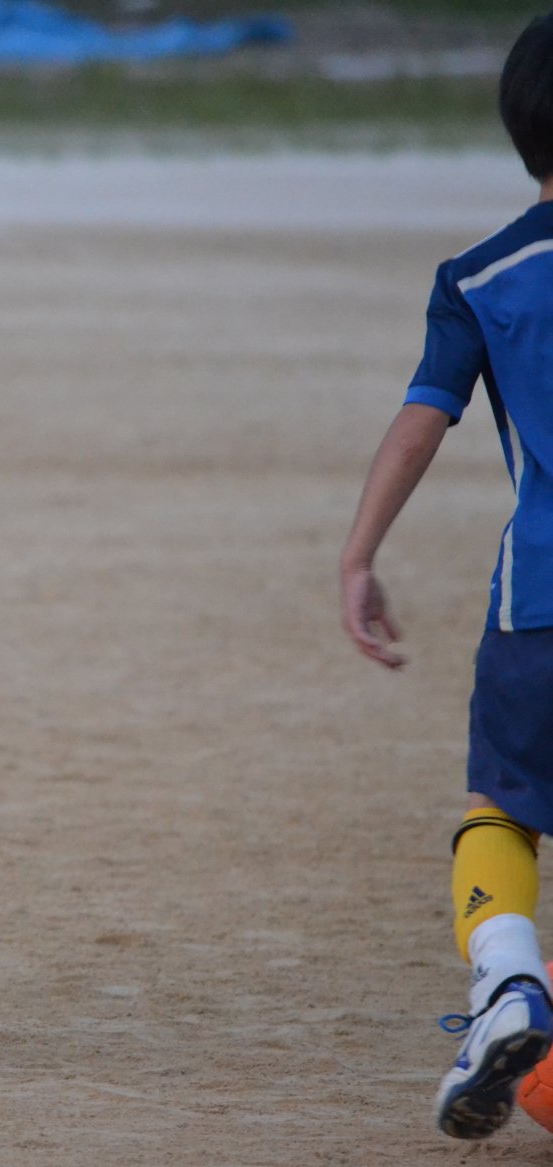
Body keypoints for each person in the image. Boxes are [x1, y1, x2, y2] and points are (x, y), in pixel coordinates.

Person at [341, 10, 553, 1139]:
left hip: (537, 605)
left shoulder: (480, 277)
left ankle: (507, 982)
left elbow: (423, 418)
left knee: (504, 808)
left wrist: (359, 554)